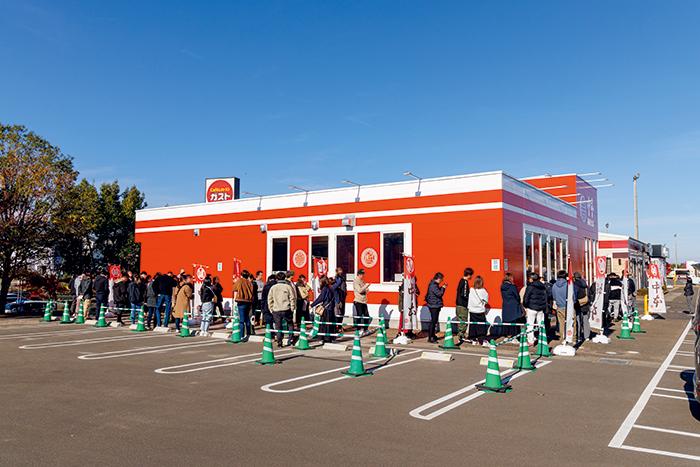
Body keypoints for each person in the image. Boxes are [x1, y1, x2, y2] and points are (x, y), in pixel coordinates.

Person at [267, 271, 297, 347]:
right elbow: (292, 298)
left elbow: (270, 299)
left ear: (277, 278)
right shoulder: (288, 287)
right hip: (286, 309)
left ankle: (279, 342)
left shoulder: (273, 287)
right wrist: (292, 308)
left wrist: (271, 309)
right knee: (290, 323)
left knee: (278, 326)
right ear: (284, 278)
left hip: (276, 309)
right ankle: (291, 338)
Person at [523, 273, 548, 346]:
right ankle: (542, 340)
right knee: (541, 325)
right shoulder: (542, 286)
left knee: (530, 325)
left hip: (532, 308)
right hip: (540, 308)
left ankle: (531, 341)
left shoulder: (530, 287)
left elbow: (526, 298)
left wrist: (526, 305)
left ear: (531, 278)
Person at [310, 275, 336, 343]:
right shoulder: (331, 288)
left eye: (320, 281)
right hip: (331, 309)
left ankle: (326, 339)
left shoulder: (325, 288)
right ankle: (330, 338)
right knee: (330, 324)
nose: (320, 283)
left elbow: (320, 298)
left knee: (325, 324)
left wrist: (312, 305)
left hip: (326, 309)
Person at [467, 275, 489, 347]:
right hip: (480, 310)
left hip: (472, 310)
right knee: (481, 326)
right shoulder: (483, 291)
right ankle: (484, 341)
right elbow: (486, 300)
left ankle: (474, 340)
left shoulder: (472, 290)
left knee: (473, 326)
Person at [425, 273, 447, 344]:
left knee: (434, 321)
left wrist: (441, 288)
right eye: (441, 279)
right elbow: (439, 294)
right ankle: (430, 337)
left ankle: (433, 336)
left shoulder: (433, 285)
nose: (442, 280)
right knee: (433, 321)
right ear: (438, 278)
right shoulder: (433, 285)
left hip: (434, 305)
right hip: (434, 305)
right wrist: (443, 288)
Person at [500, 273, 523, 341]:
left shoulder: (502, 287)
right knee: (515, 321)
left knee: (506, 321)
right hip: (513, 305)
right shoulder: (513, 287)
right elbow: (517, 296)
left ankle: (506, 337)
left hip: (505, 304)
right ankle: (515, 338)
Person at [233, 270, 255, 338]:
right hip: (248, 302)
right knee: (247, 318)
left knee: (241, 320)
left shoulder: (239, 280)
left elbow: (234, 288)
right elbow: (252, 293)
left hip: (241, 301)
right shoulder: (250, 283)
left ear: (241, 275)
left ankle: (242, 335)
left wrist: (234, 283)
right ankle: (248, 333)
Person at [455, 268, 473, 343]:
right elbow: (465, 294)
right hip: (462, 304)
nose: (471, 277)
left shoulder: (460, 281)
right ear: (468, 274)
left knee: (460, 320)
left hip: (458, 303)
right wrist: (469, 297)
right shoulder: (465, 282)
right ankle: (461, 336)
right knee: (463, 320)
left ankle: (460, 335)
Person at [353, 269, 371, 336]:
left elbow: (366, 290)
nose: (364, 275)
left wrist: (366, 288)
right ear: (359, 274)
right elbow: (360, 290)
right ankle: (358, 329)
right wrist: (366, 286)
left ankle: (366, 329)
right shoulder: (356, 281)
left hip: (364, 301)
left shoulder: (362, 281)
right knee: (359, 315)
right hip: (358, 300)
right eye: (363, 274)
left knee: (366, 315)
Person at [573, 272, 591, 342]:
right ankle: (587, 336)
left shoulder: (575, 285)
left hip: (578, 304)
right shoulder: (585, 285)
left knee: (578, 321)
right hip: (586, 304)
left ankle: (579, 336)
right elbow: (589, 294)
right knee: (585, 320)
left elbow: (574, 295)